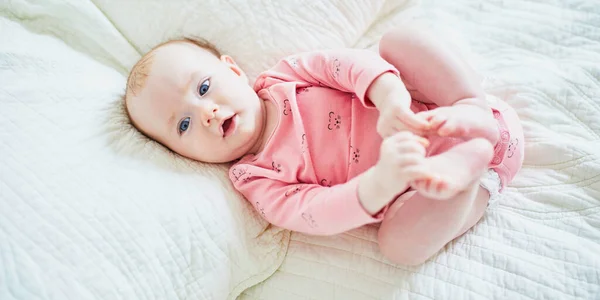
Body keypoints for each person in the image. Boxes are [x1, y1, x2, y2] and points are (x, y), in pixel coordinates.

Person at [123, 26, 524, 266]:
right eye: (184, 124)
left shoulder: (285, 76)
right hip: (432, 180)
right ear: (182, 155)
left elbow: (346, 64)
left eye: (203, 87)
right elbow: (315, 213)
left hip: (439, 108)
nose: (206, 112)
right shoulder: (255, 179)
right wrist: (381, 183)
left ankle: (471, 103)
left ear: (232, 69)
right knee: (398, 247)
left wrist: (390, 98)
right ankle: (465, 178)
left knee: (397, 42)